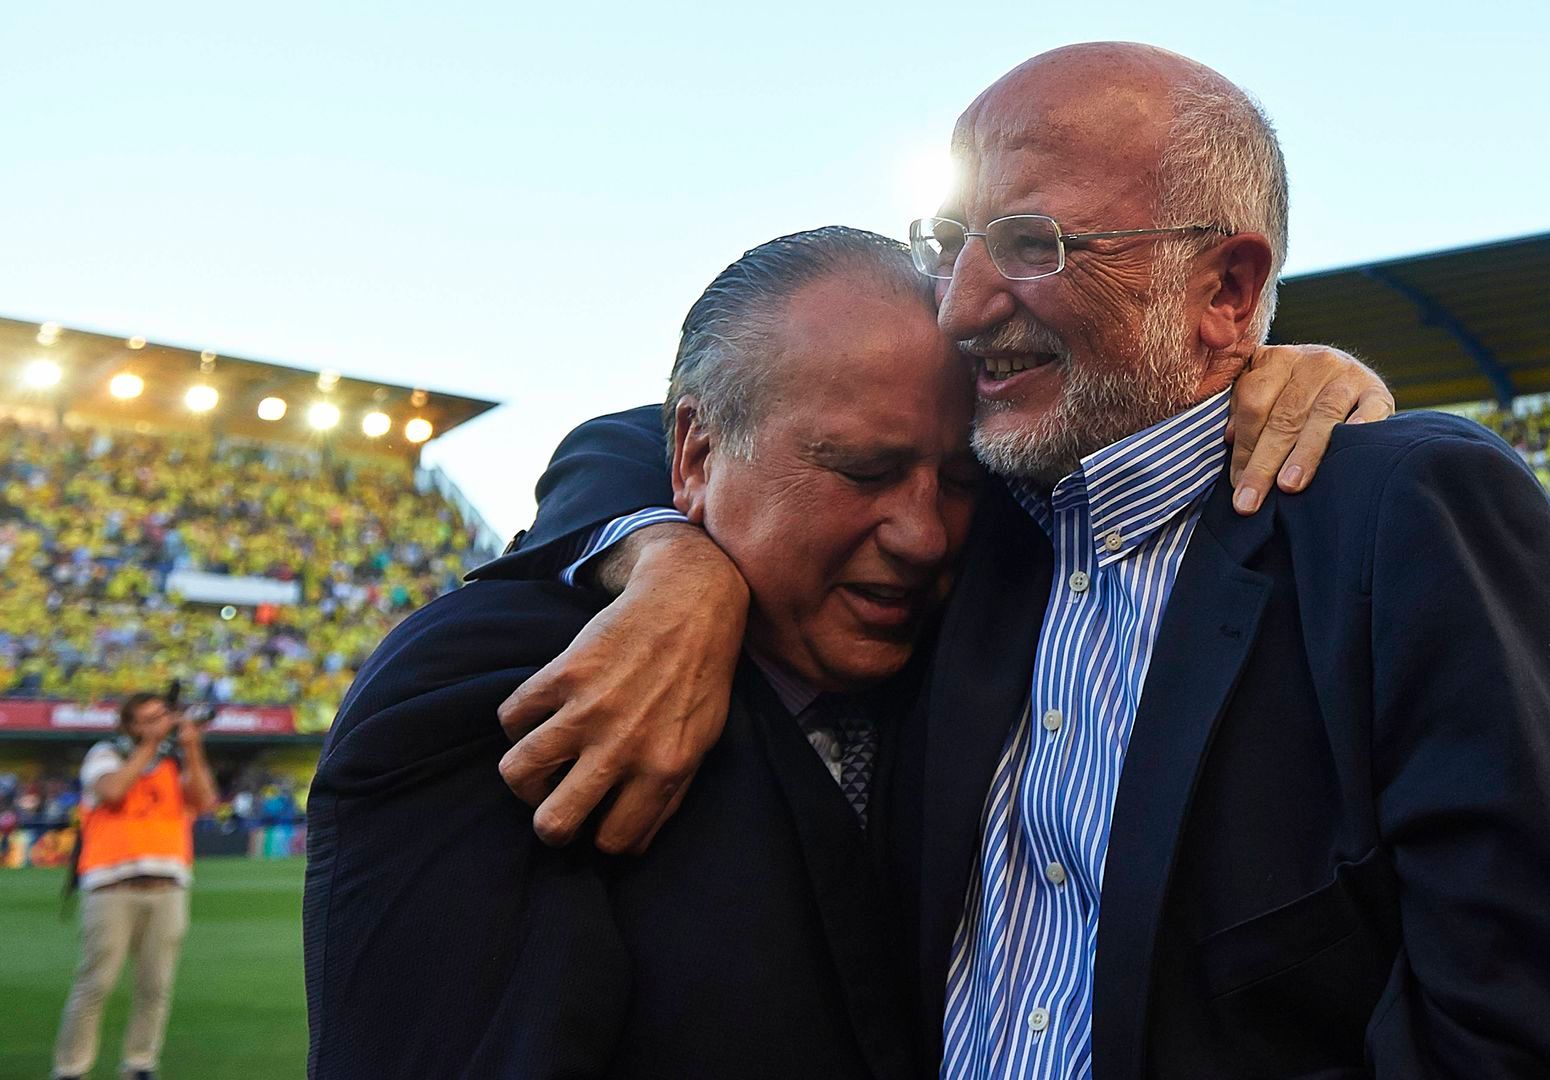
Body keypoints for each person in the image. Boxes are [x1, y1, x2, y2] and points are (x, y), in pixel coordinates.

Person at [489, 43, 1550, 1078]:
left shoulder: (1403, 520)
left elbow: (1546, 1048)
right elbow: (654, 436)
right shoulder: (970, 532)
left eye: (1031, 243)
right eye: (951, 244)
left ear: (1226, 288)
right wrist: (667, 560)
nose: (959, 304)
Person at [304, 226, 1383, 1077]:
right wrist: (664, 550)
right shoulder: (501, 687)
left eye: (961, 482)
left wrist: (1266, 385)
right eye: (861, 473)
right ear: (693, 454)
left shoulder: (978, 639)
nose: (922, 534)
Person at [53, 691, 217, 1080]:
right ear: (129, 726)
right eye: (147, 719)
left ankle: (140, 1063)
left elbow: (205, 800)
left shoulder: (174, 760)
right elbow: (112, 791)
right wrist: (150, 745)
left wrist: (192, 749)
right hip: (112, 884)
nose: (158, 724)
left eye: (162, 717)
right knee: (95, 983)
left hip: (167, 883)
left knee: (156, 986)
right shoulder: (106, 754)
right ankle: (70, 1068)